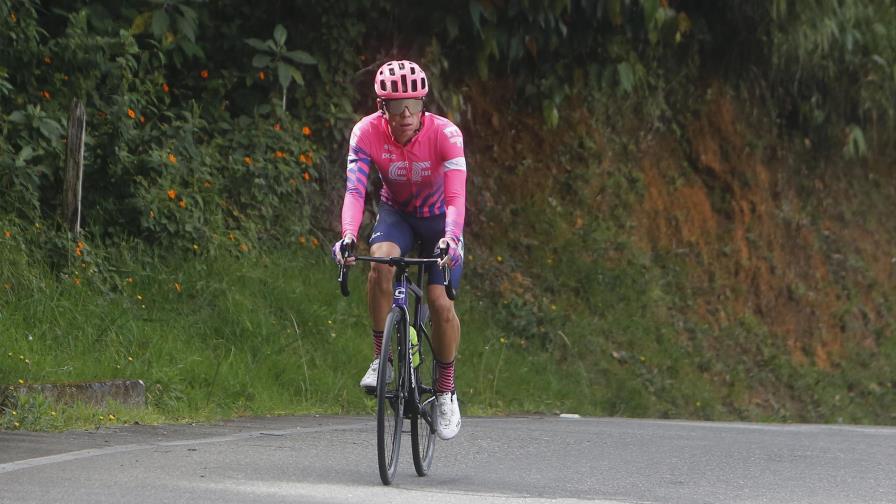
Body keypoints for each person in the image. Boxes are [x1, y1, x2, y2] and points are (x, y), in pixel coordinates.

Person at [332, 60, 466, 440]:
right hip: (398, 215)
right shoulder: (366, 133)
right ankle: (382, 359)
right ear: (381, 107)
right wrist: (347, 235)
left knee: (440, 302)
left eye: (413, 103)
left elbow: (456, 197)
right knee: (379, 267)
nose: (405, 114)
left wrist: (451, 238)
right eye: (395, 105)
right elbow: (355, 191)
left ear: (424, 103)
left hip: (440, 221)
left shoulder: (446, 135)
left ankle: (445, 390)